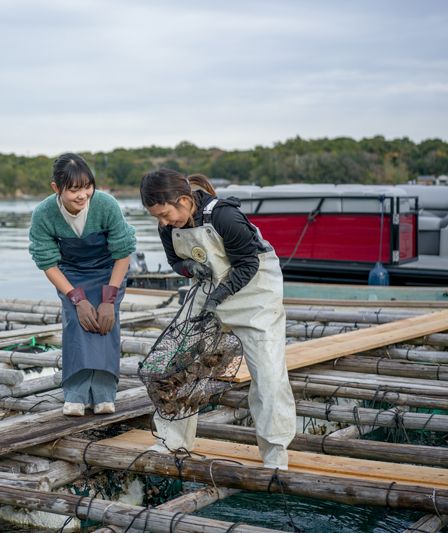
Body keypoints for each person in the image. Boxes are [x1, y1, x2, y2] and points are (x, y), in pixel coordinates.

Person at [140, 169, 296, 470]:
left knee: (268, 376)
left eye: (165, 213)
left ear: (184, 200)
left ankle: (276, 454)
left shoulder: (224, 216)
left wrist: (220, 294)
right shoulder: (168, 227)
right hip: (209, 289)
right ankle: (171, 439)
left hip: (255, 296)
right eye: (156, 217)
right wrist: (187, 267)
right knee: (179, 365)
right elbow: (175, 262)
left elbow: (249, 262)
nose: (162, 222)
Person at [29, 153, 137, 416]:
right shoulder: (44, 214)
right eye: (74, 189)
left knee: (104, 325)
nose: (82, 195)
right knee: (76, 324)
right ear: (57, 188)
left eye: (87, 187)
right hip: (71, 274)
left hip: (108, 270)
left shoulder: (106, 205)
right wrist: (77, 299)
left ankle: (104, 393)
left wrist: (109, 300)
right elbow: (47, 263)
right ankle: (76, 394)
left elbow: (123, 254)